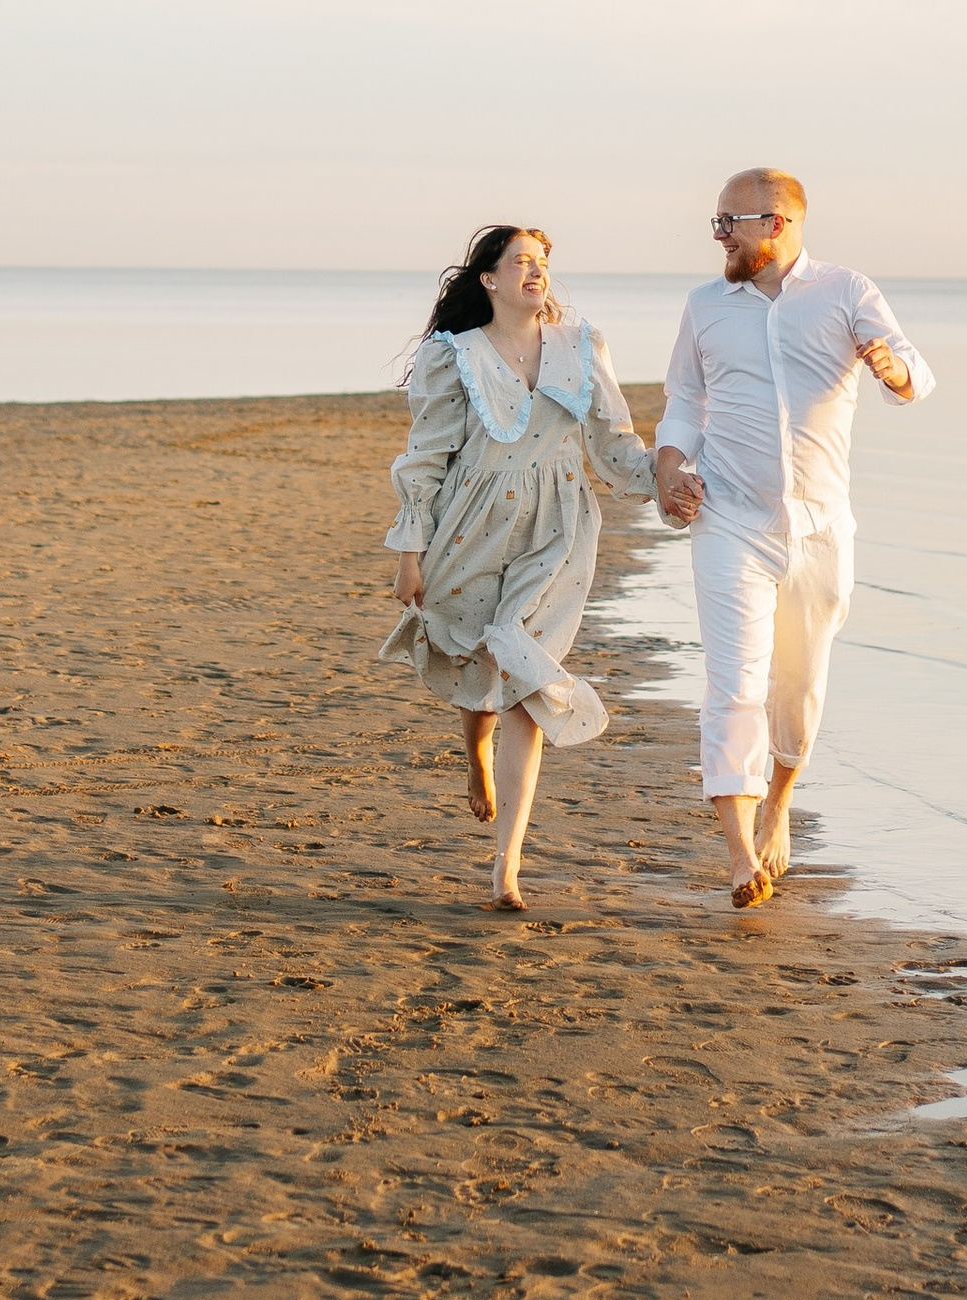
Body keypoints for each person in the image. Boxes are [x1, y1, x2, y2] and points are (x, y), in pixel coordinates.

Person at [653, 170, 935, 913]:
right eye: (716, 223)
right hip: (728, 518)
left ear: (775, 223)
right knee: (735, 685)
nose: (719, 235)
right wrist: (670, 467)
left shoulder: (846, 291)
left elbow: (916, 373)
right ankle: (740, 854)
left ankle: (779, 800)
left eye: (730, 222)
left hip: (820, 527)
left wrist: (892, 368)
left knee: (799, 688)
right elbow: (684, 398)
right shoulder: (705, 305)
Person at [382, 224, 658, 913]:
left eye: (542, 262)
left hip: (556, 528)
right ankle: (475, 752)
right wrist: (410, 554)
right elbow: (426, 458)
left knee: (524, 677)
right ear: (489, 279)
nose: (536, 272)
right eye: (521, 262)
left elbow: (615, 442)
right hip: (471, 522)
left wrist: (671, 482)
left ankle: (506, 868)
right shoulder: (455, 355)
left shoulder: (580, 346)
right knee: (478, 658)